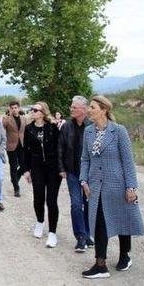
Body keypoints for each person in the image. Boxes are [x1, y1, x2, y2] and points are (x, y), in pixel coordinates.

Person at [79, 96, 144, 279]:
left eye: (92, 107)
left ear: (104, 110)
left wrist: (131, 187)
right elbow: (85, 159)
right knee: (99, 223)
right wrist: (83, 180)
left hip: (117, 184)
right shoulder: (88, 132)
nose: (89, 110)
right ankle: (100, 265)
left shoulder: (119, 131)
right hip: (95, 186)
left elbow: (128, 161)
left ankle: (125, 256)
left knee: (122, 219)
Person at [22, 101, 61, 248]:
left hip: (53, 168)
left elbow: (60, 148)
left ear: (43, 112)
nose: (32, 111)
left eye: (35, 110)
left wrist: (61, 168)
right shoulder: (29, 128)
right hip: (36, 167)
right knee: (38, 197)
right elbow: (26, 150)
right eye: (32, 109)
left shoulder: (52, 127)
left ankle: (52, 233)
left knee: (51, 200)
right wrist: (26, 170)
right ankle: (40, 222)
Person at [58, 96, 94, 252]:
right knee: (76, 204)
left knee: (89, 204)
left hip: (90, 173)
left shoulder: (92, 126)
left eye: (74, 107)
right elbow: (60, 148)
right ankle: (80, 237)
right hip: (72, 171)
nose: (71, 109)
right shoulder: (66, 126)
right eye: (71, 107)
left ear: (84, 109)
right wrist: (61, 168)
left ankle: (87, 234)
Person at [2, 100, 27, 197]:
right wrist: (6, 116)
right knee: (13, 166)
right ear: (10, 109)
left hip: (22, 146)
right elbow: (3, 126)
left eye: (15, 108)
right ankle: (16, 188)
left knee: (24, 166)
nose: (14, 109)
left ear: (19, 108)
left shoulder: (24, 118)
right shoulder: (7, 119)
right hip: (11, 146)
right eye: (12, 108)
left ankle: (15, 178)